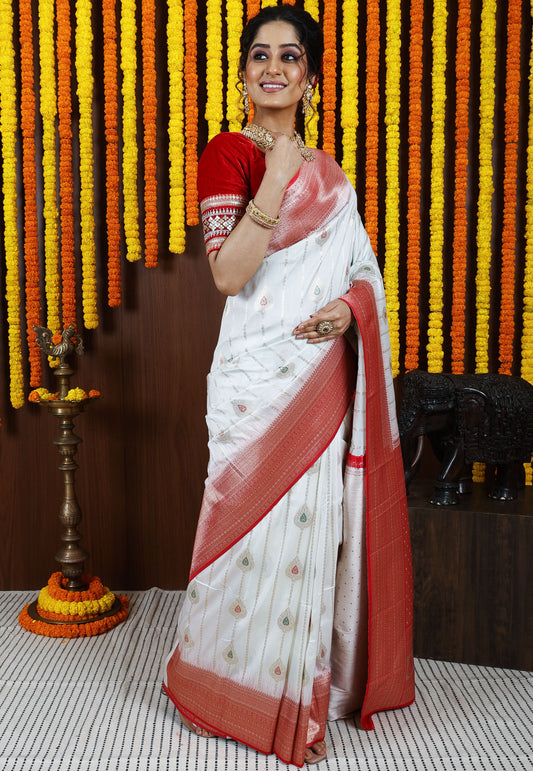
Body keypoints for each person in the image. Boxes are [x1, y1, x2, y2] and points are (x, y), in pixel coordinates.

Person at [164, 5, 414, 766]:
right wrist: (274, 173)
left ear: (310, 77)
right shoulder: (227, 153)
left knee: (311, 536)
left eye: (290, 56)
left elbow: (361, 273)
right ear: (242, 73)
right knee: (233, 527)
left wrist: (348, 307)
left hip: (318, 380)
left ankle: (292, 690)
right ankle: (216, 686)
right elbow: (229, 274)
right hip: (254, 380)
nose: (273, 67)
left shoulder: (332, 177)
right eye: (259, 56)